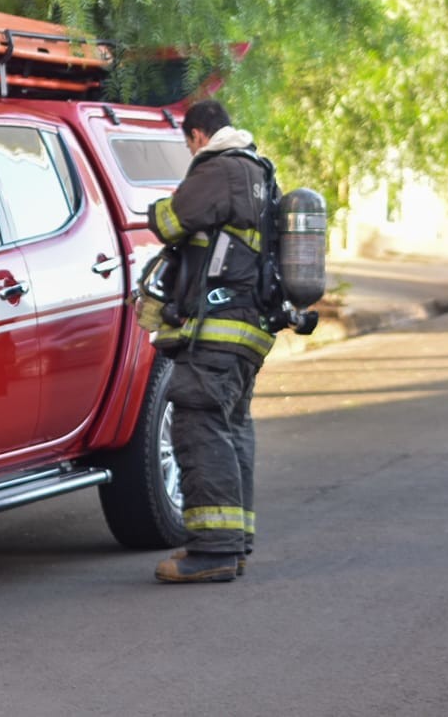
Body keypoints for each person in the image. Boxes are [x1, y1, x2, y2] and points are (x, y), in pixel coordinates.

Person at [144, 99, 276, 583]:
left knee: (199, 425)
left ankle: (213, 551)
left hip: (219, 325)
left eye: (188, 143)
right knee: (231, 426)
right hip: (247, 326)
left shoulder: (220, 169)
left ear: (198, 134)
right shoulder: (259, 171)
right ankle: (233, 542)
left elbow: (170, 221)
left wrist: (155, 207)